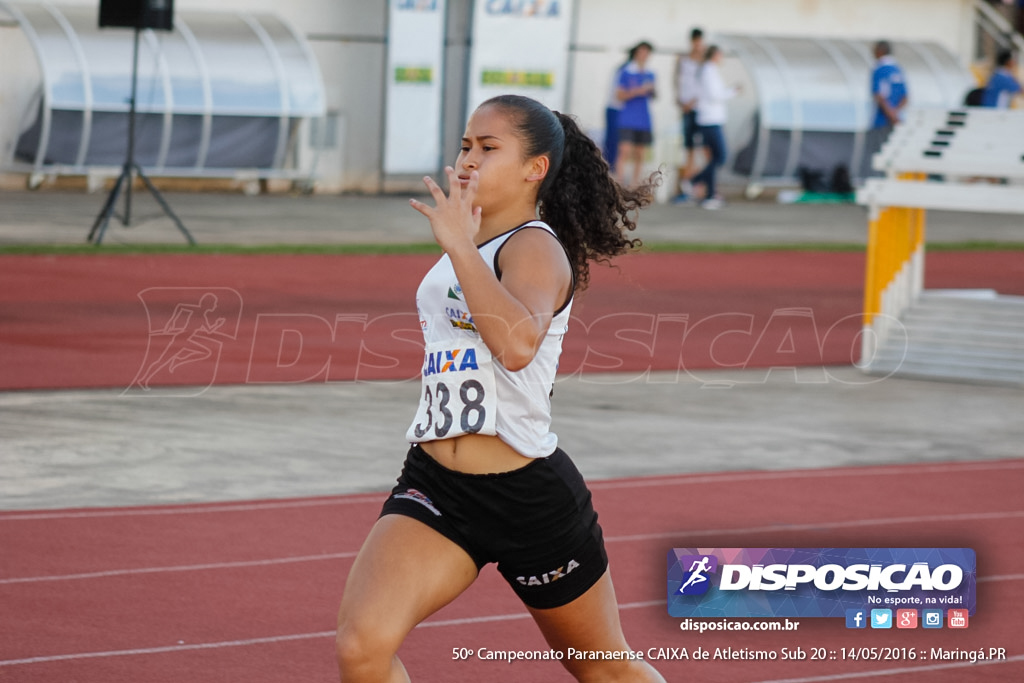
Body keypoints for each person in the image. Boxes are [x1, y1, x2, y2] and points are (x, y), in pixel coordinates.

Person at [335, 94, 665, 683]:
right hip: (438, 485)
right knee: (363, 647)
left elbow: (516, 348)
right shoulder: (472, 242)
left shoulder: (535, 247)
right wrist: (463, 245)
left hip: (527, 497)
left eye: (489, 149)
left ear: (534, 168)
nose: (468, 160)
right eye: (465, 146)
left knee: (605, 671)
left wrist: (460, 245)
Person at [689, 45, 737, 210]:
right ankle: (694, 182)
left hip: (712, 119)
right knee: (721, 156)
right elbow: (715, 95)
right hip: (710, 120)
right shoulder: (708, 71)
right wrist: (732, 92)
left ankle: (708, 194)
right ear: (715, 55)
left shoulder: (709, 71)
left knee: (715, 158)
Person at [615, 41, 657, 187]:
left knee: (640, 153)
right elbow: (619, 95)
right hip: (628, 118)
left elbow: (654, 95)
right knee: (624, 151)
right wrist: (638, 91)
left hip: (643, 118)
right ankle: (619, 183)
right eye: (642, 52)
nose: (644, 55)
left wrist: (651, 91)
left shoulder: (650, 73)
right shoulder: (626, 72)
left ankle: (634, 185)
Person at [673, 27, 705, 203]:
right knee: (688, 149)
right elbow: (677, 81)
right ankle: (686, 185)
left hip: (700, 110)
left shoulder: (703, 62)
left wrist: (692, 102)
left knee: (702, 149)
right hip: (686, 109)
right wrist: (681, 102)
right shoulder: (683, 60)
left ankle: (699, 185)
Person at [865, 39, 908, 171]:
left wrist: (890, 115)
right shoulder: (898, 69)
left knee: (879, 156)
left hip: (882, 121)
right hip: (897, 120)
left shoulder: (879, 69)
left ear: (880, 51)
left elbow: (879, 95)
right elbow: (905, 97)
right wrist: (896, 114)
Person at [602, 49, 632, 168]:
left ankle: (612, 167)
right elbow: (618, 94)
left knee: (618, 142)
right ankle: (610, 167)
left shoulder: (625, 69)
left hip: (620, 109)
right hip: (616, 109)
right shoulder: (626, 70)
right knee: (613, 142)